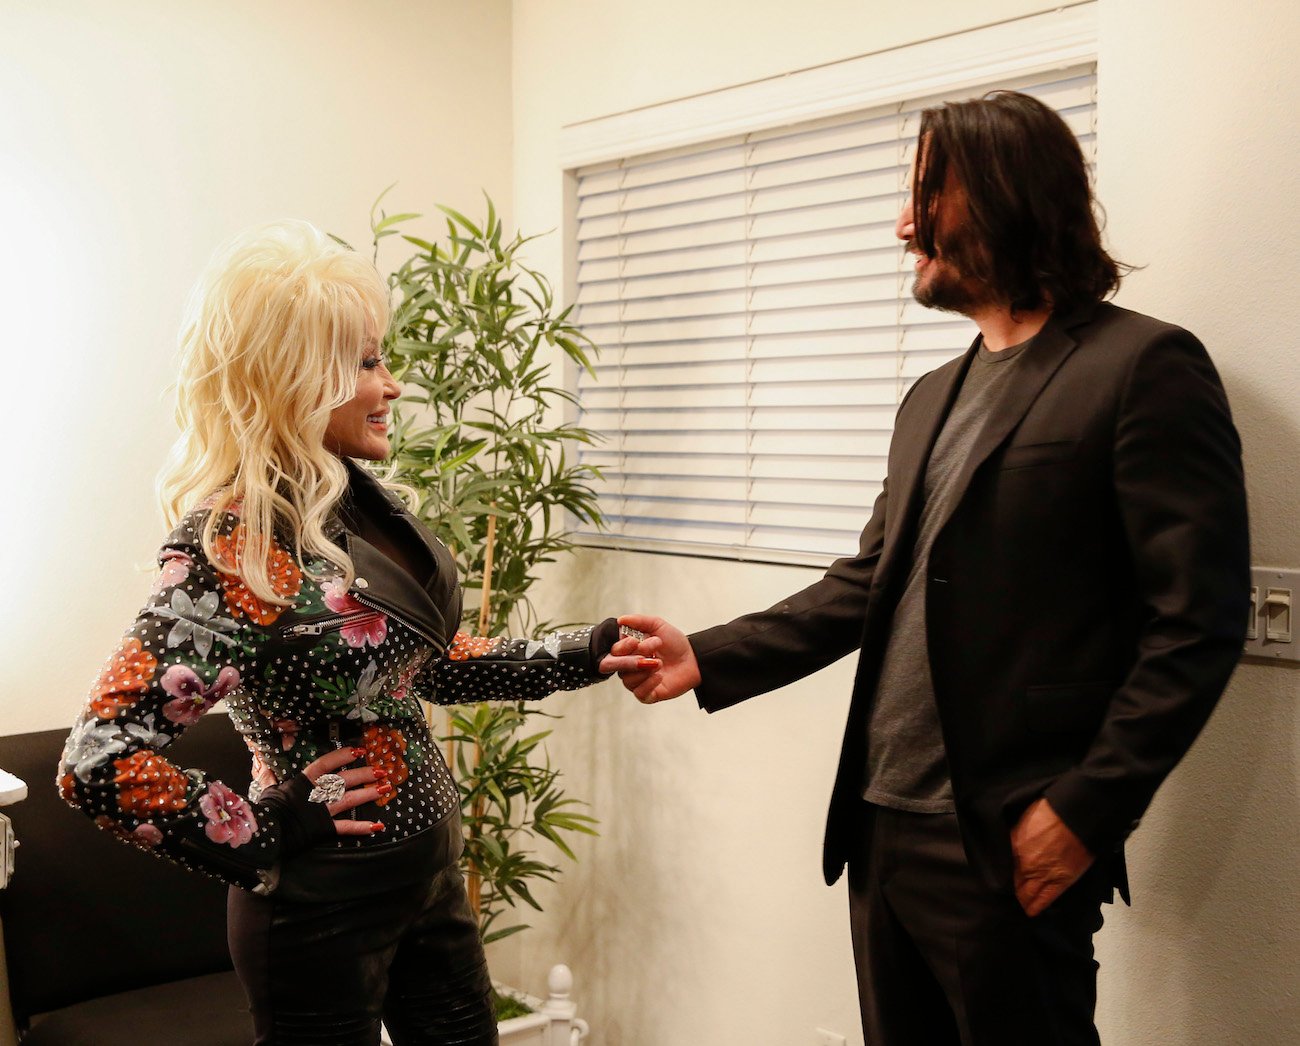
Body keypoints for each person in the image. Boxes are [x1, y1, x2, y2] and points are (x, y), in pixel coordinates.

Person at [611, 90, 1250, 1045]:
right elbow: (870, 581)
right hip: (881, 825)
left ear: (1001, 195)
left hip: (1007, 836)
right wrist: (707, 653)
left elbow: (1198, 622)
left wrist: (1084, 811)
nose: (903, 224)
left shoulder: (1144, 367)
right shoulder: (929, 396)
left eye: (925, 197)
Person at [58, 220, 649, 1046]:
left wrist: (581, 652)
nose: (392, 385)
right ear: (297, 378)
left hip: (430, 881)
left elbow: (425, 669)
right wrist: (268, 828)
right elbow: (97, 760)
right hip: (319, 911)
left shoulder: (353, 511)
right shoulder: (231, 546)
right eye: (367, 363)